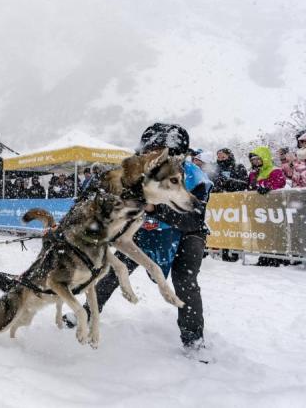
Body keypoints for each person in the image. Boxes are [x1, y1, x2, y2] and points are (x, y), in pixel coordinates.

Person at [65, 122, 213, 353]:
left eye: (160, 150)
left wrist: (155, 209)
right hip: (147, 230)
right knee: (114, 270)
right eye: (149, 149)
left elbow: (194, 219)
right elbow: (98, 191)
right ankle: (87, 311)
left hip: (188, 234)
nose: (152, 155)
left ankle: (193, 339)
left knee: (185, 281)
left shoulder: (196, 178)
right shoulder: (138, 168)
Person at [247, 146, 287, 266]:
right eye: (253, 160)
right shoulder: (253, 173)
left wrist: (268, 187)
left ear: (264, 158)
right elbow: (249, 187)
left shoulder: (274, 170)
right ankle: (264, 256)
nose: (255, 162)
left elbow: (280, 183)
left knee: (274, 232)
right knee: (260, 232)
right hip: (257, 207)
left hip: (272, 207)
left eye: (257, 159)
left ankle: (277, 257)